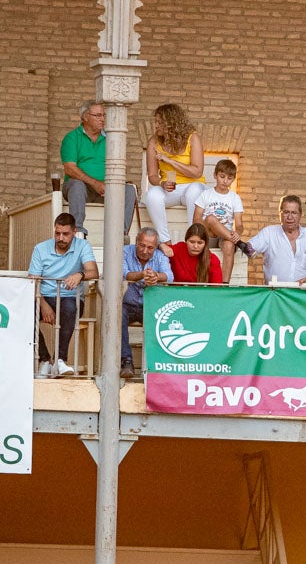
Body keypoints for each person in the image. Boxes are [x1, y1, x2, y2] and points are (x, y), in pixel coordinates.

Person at [29, 212, 99, 378]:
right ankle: (44, 360)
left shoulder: (82, 246)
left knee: (69, 307)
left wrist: (80, 275)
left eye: (65, 234)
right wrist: (44, 305)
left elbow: (94, 271)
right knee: (24, 313)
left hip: (69, 297)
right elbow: (33, 281)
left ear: (74, 232)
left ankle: (60, 360)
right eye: (57, 233)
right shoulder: (40, 248)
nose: (60, 238)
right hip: (44, 297)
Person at [61, 99, 138, 238]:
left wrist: (111, 184)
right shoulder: (72, 138)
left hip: (105, 189)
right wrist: (95, 183)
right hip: (80, 188)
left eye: (104, 115)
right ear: (85, 117)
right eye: (98, 115)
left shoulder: (111, 139)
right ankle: (77, 230)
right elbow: (70, 169)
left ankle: (121, 233)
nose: (102, 119)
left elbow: (118, 166)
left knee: (129, 190)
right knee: (77, 184)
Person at [143, 102, 208, 243]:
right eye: (155, 122)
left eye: (159, 122)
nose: (155, 126)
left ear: (171, 124)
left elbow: (197, 172)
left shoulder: (193, 138)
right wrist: (161, 183)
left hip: (192, 185)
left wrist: (170, 161)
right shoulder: (154, 142)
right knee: (152, 195)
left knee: (194, 191)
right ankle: (165, 241)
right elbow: (152, 175)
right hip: (171, 188)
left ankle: (193, 238)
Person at [120, 227, 172, 380]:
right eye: (142, 245)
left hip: (149, 305)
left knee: (161, 321)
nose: (145, 250)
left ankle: (155, 365)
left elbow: (169, 275)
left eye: (150, 247)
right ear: (136, 242)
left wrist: (156, 276)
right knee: (117, 316)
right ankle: (126, 361)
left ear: (155, 247)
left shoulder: (160, 256)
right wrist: (143, 275)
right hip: (127, 304)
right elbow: (124, 274)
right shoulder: (125, 251)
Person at [192, 158, 253, 280]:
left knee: (229, 246)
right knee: (210, 219)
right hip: (208, 234)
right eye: (222, 176)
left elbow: (240, 225)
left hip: (225, 236)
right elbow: (196, 219)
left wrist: (237, 233)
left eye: (229, 178)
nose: (225, 181)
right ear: (215, 175)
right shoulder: (206, 194)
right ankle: (240, 244)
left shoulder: (234, 198)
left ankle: (224, 284)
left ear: (233, 179)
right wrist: (211, 225)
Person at [250, 195, 306, 284]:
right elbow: (249, 249)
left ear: (300, 214)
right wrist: (237, 242)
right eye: (286, 212)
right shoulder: (269, 233)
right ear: (279, 213)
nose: (290, 217)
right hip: (276, 293)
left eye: (294, 213)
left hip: (303, 294)